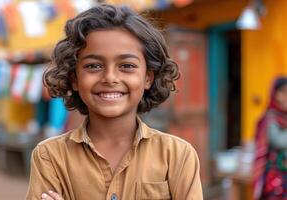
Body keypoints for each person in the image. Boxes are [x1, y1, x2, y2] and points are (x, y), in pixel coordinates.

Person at [26, 4, 203, 200]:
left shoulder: (177, 155)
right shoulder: (50, 156)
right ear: (74, 78)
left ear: (148, 78)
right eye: (93, 66)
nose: (110, 78)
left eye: (127, 66)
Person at [253, 77, 287, 200]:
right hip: (275, 178)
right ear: (274, 94)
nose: (285, 97)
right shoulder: (270, 119)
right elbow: (279, 141)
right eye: (282, 92)